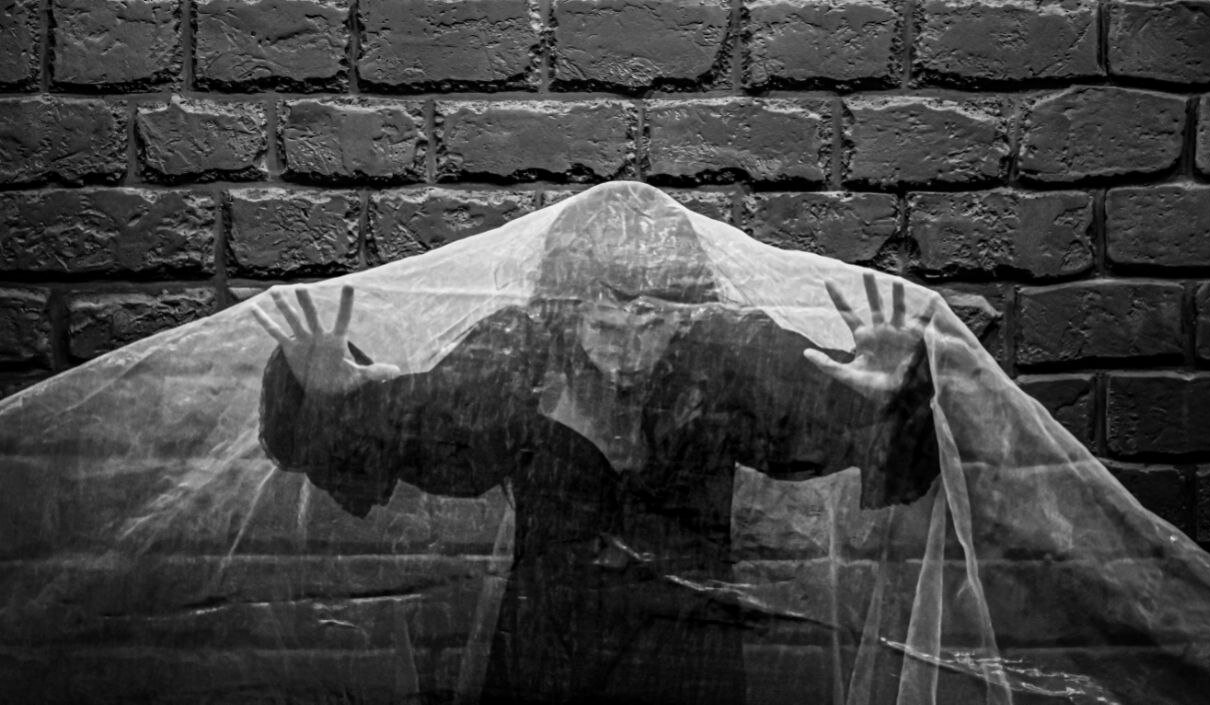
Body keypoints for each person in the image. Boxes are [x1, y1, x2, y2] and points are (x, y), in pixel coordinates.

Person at [251, 212, 940, 704]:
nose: (631, 342)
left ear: (689, 311)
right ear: (569, 303)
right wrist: (331, 396)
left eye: (656, 316)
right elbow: (420, 434)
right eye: (608, 315)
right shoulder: (519, 360)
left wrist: (890, 396)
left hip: (687, 664)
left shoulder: (726, 360)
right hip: (547, 659)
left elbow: (825, 420)